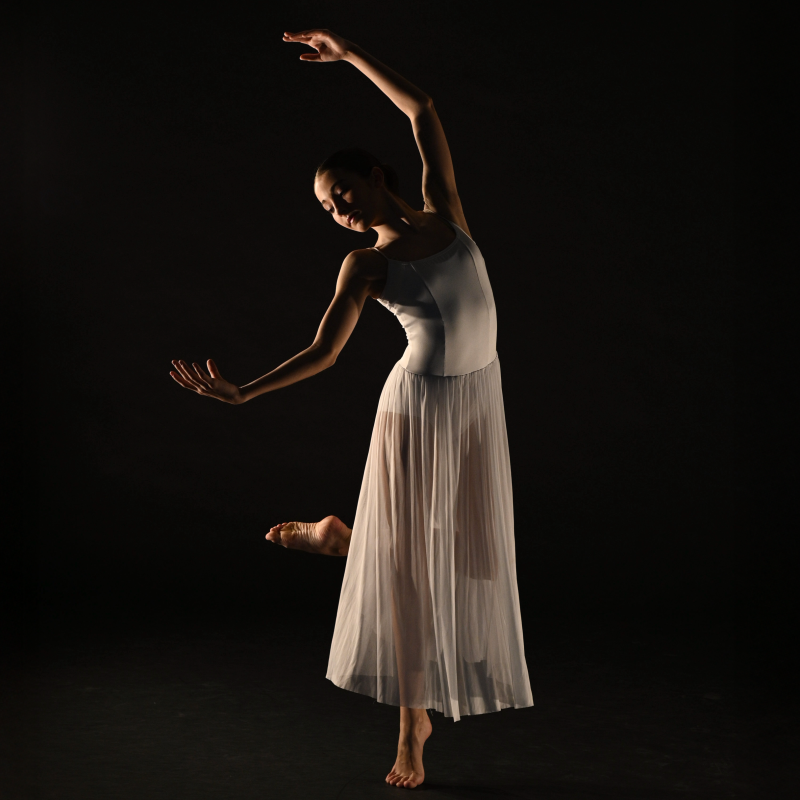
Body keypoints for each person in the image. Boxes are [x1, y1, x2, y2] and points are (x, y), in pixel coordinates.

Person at [170, 28, 533, 790]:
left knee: (465, 561)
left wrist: (351, 56)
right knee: (409, 578)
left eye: (342, 195)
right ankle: (412, 725)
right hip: (418, 409)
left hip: (476, 401)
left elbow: (423, 108)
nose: (337, 211)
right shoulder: (365, 263)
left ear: (373, 176)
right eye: (328, 209)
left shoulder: (446, 212)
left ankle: (342, 540)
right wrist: (245, 391)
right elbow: (324, 352)